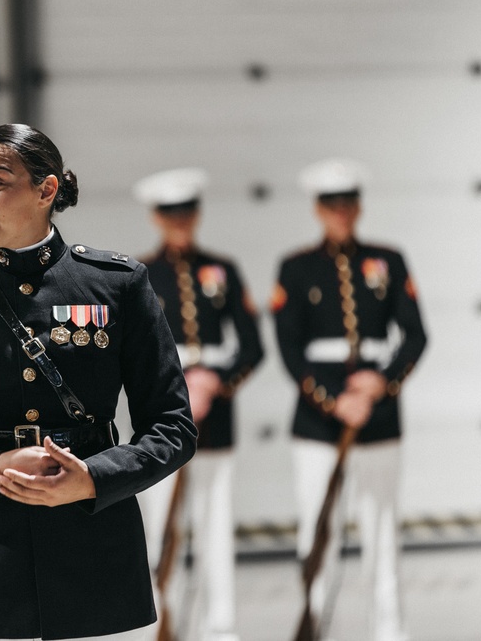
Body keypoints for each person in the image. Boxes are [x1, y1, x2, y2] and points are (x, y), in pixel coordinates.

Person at [0, 123, 197, 641]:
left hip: (95, 554)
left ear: (46, 190)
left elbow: (172, 428)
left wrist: (93, 478)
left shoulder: (117, 285)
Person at [271, 159, 427, 641]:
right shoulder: (296, 268)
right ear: (318, 209)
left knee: (382, 533)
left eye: (348, 203)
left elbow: (415, 335)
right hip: (318, 423)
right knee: (319, 532)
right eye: (330, 204)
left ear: (358, 206)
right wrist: (336, 401)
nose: (341, 212)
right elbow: (291, 350)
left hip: (378, 417)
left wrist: (381, 383)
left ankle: (389, 632)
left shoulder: (389, 259)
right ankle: (315, 627)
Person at [133, 169, 263, 641]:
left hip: (214, 414)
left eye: (186, 213)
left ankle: (220, 626)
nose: (180, 222)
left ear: (198, 214)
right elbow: (130, 353)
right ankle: (154, 622)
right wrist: (175, 389)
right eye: (171, 214)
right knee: (158, 524)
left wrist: (214, 382)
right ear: (156, 218)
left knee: (215, 521)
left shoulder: (222, 271)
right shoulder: (138, 275)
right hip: (162, 418)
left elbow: (252, 347)